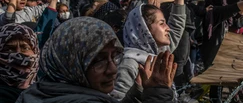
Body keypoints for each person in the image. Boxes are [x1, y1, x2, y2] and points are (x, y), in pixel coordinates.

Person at [16, 17, 177, 103]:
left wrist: (136, 94)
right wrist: (159, 94)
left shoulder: (38, 92)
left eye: (114, 56)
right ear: (70, 63)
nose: (113, 69)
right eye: (98, 60)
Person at [112, 0, 186, 100]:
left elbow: (178, 23)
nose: (168, 28)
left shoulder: (160, 53)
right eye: (162, 23)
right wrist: (139, 89)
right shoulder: (130, 64)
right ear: (145, 30)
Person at [154, 0, 220, 86]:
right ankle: (176, 89)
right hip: (178, 22)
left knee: (184, 58)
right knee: (179, 59)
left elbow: (187, 3)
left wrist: (200, 10)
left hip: (183, 21)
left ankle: (182, 87)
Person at [0, 23, 39, 103]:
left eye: (25, 48)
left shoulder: (45, 85)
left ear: (35, 51)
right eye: (10, 49)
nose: (18, 54)